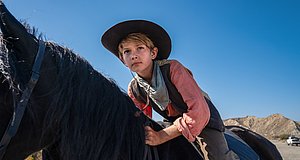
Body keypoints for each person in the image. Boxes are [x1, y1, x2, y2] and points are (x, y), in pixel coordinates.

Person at [101, 20, 239, 160]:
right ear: (123, 60)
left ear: (153, 53)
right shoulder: (134, 89)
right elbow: (142, 119)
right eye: (127, 51)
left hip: (203, 120)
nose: (133, 55)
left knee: (219, 157)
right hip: (173, 122)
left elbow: (199, 112)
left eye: (140, 48)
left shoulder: (173, 69)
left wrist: (160, 136)